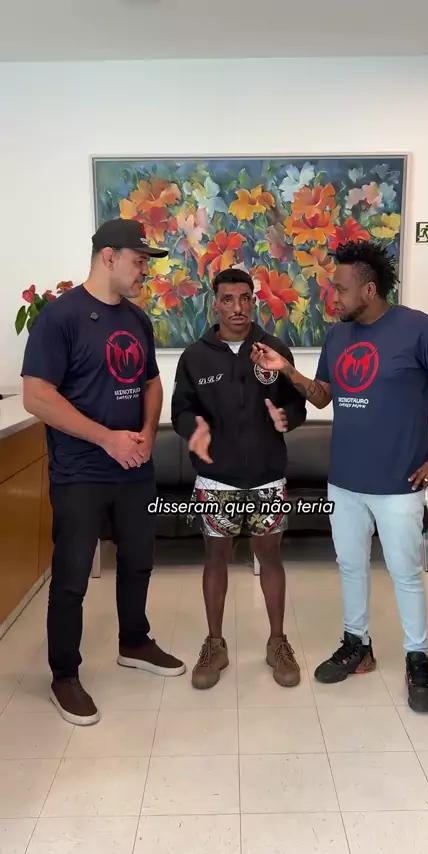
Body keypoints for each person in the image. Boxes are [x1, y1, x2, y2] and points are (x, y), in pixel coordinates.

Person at [251, 239, 428, 713]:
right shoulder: (338, 336)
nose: (332, 296)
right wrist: (287, 370)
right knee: (351, 566)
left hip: (399, 483)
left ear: (369, 290)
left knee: (405, 574)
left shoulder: (418, 329)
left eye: (340, 288)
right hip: (345, 481)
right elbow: (322, 396)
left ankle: (417, 660)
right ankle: (358, 646)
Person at [21, 218, 186, 726]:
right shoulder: (59, 318)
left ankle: (134, 642)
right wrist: (106, 438)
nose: (145, 271)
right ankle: (64, 675)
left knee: (138, 561)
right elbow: (37, 396)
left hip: (133, 468)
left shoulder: (136, 319)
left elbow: (152, 382)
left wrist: (146, 432)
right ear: (108, 256)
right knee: (72, 576)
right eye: (139, 261)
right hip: (81, 472)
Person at [171, 268, 307, 690]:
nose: (237, 307)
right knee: (216, 559)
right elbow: (181, 409)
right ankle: (215, 644)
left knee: (270, 558)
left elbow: (297, 404)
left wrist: (287, 418)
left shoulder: (273, 348)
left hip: (267, 476)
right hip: (217, 479)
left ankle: (277, 642)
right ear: (215, 303)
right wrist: (193, 427)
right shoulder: (195, 356)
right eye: (228, 299)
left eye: (245, 298)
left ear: (253, 301)